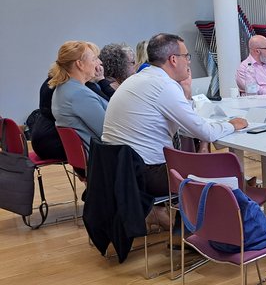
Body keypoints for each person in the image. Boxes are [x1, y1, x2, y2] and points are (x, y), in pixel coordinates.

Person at [103, 33, 247, 203]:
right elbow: (205, 132)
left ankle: (238, 198)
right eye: (186, 56)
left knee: (209, 165)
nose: (189, 62)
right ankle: (238, 210)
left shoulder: (140, 79)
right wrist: (232, 124)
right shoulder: (164, 85)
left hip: (119, 169)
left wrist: (186, 92)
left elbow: (187, 125)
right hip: (145, 174)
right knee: (222, 168)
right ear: (173, 59)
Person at [49, 41, 108, 154]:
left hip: (94, 155)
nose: (99, 62)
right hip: (103, 158)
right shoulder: (79, 94)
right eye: (94, 59)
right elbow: (108, 132)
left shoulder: (64, 88)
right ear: (80, 64)